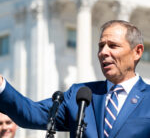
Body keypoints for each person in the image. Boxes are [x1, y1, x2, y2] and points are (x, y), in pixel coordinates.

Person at [0, 20, 149, 138]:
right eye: (101, 46)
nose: (103, 52)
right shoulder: (80, 95)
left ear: (137, 51)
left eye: (113, 46)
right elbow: (31, 114)